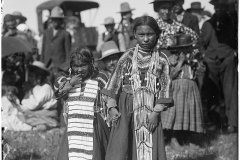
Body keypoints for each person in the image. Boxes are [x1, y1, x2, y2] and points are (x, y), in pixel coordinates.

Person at [103, 16, 172, 160]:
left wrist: (156, 112)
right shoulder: (127, 57)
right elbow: (114, 82)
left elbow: (165, 88)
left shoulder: (162, 60)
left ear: (157, 34)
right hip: (126, 107)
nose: (146, 39)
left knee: (149, 145)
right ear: (135, 34)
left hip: (150, 110)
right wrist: (112, 106)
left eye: (150, 34)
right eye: (142, 35)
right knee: (123, 145)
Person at [151, 0, 204, 150]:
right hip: (159, 64)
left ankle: (182, 135)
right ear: (157, 9)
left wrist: (187, 54)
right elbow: (149, 46)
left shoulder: (176, 25)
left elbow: (195, 37)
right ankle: (168, 137)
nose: (166, 12)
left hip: (178, 65)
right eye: (163, 9)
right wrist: (166, 56)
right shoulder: (152, 26)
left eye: (168, 9)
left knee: (182, 97)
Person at [55, 46, 110, 160]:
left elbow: (110, 95)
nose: (79, 70)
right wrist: (71, 83)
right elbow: (57, 94)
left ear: (91, 63)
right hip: (74, 127)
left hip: (94, 126)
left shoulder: (100, 77)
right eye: (76, 66)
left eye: (83, 65)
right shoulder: (67, 80)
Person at [200, 0, 238, 133]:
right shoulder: (208, 23)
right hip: (211, 60)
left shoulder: (234, 21)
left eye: (223, 6)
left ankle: (232, 123)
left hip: (227, 58)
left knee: (230, 92)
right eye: (217, 6)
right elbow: (201, 43)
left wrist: (234, 52)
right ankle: (215, 122)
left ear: (227, 7)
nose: (219, 9)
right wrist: (205, 56)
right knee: (212, 92)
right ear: (214, 7)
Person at [20, 61, 58, 130]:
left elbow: (33, 106)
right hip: (33, 115)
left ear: (39, 78)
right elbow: (24, 103)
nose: (30, 79)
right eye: (29, 76)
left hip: (44, 115)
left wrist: (30, 92)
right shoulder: (33, 88)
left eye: (32, 76)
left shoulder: (46, 88)